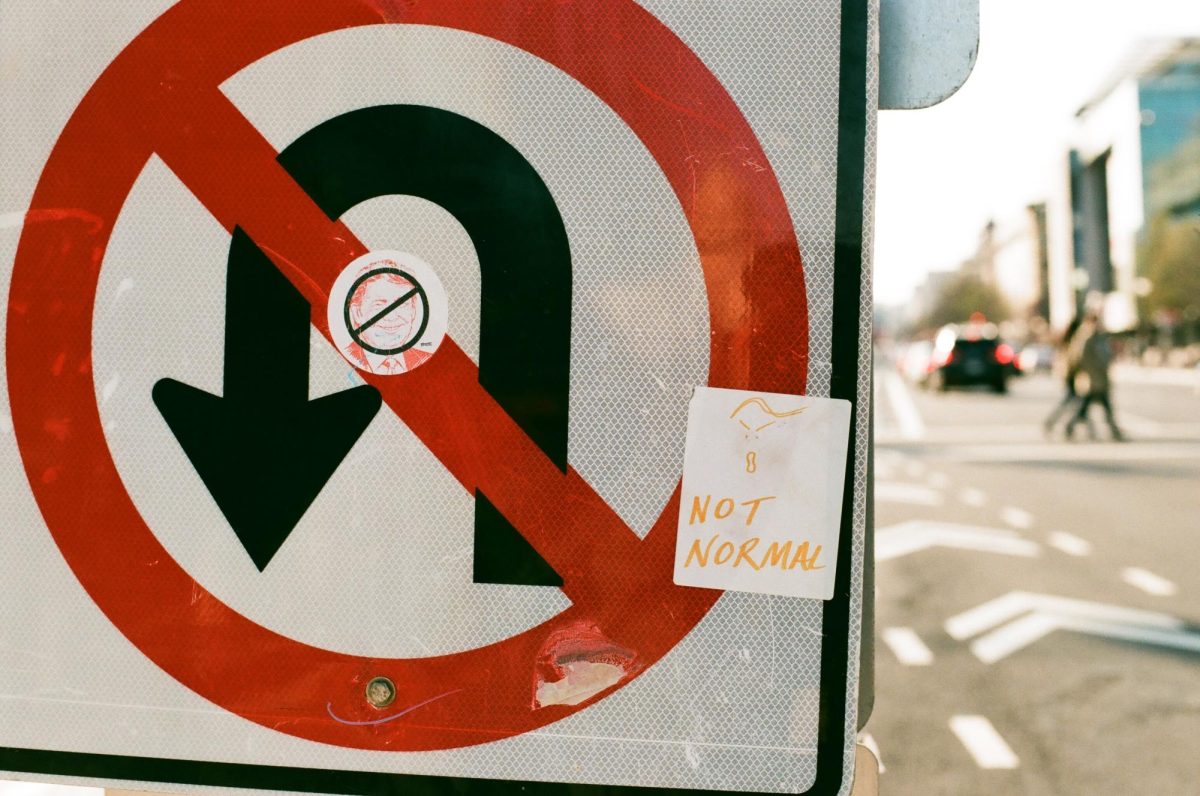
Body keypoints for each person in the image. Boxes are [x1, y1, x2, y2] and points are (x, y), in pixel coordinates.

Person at [1064, 311, 1124, 441]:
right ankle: (1115, 432)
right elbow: (1082, 358)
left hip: (1097, 379)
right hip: (1093, 379)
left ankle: (1115, 432)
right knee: (1091, 407)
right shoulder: (1087, 337)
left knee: (1097, 408)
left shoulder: (1093, 336)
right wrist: (1091, 373)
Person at [1043, 314, 1084, 437]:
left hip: (1069, 376)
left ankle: (1058, 423)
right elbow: (1072, 361)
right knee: (1076, 402)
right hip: (1071, 376)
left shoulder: (1067, 340)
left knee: (1073, 402)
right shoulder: (1073, 341)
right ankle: (1064, 425)